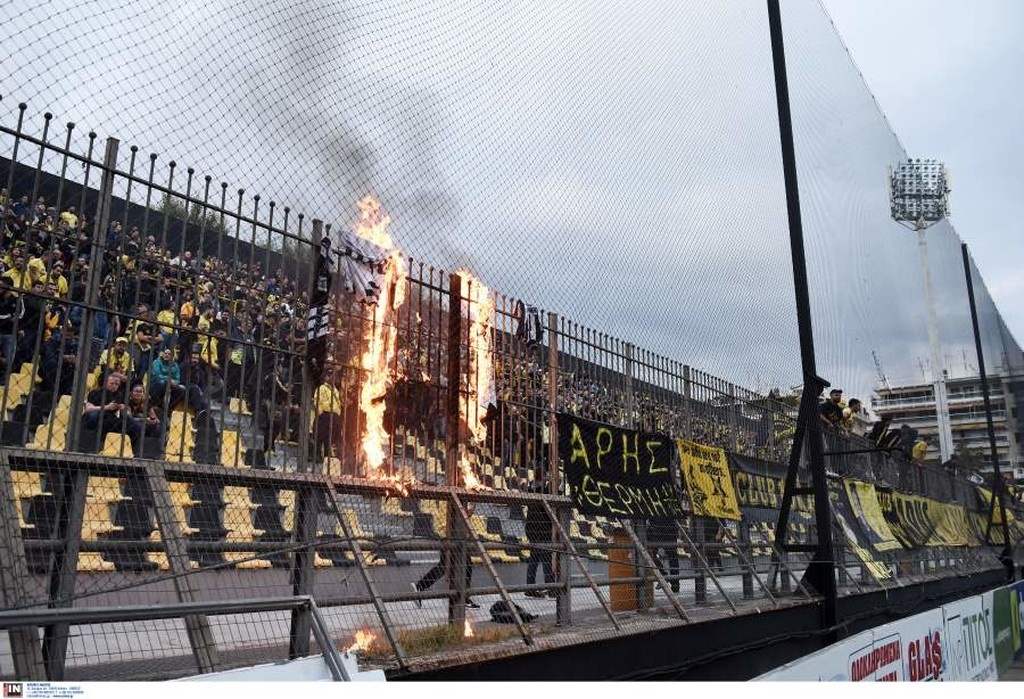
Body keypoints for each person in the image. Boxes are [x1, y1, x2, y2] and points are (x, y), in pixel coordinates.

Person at [412, 501, 479, 609]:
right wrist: (469, 510)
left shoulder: (457, 496)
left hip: (454, 533)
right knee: (463, 565)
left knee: (446, 565)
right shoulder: (453, 498)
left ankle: (421, 586)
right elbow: (460, 515)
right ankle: (463, 598)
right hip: (450, 533)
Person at [82, 373, 141, 454]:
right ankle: (90, 447)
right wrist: (107, 407)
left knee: (135, 425)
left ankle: (135, 451)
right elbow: (88, 409)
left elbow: (127, 412)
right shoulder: (95, 392)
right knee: (93, 416)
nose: (114, 386)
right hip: (99, 416)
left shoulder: (120, 395)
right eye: (112, 383)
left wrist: (123, 408)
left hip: (112, 419)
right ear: (106, 383)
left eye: (116, 384)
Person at [524, 484, 555, 597]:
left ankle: (530, 588)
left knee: (534, 561)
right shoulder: (544, 494)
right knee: (546, 561)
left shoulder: (532, 493)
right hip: (543, 532)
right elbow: (549, 512)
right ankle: (551, 588)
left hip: (533, 532)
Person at [648, 516, 680, 592]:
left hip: (656, 528)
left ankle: (664, 575)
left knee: (650, 553)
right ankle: (675, 584)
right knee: (673, 557)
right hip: (669, 528)